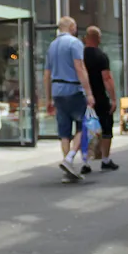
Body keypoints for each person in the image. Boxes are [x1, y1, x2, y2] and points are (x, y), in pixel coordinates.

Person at [44, 16, 95, 183]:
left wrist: (48, 98)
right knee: (83, 125)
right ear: (72, 26)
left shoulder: (51, 46)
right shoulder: (75, 43)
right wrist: (89, 93)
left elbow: (47, 75)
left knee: (64, 132)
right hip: (73, 89)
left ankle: (68, 168)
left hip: (58, 91)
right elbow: (80, 68)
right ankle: (70, 158)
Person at [82, 26, 118, 171]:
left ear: (86, 38)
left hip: (84, 98)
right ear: (98, 39)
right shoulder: (101, 56)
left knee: (85, 129)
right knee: (106, 127)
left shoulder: (79, 56)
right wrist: (114, 98)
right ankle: (105, 159)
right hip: (99, 98)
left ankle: (86, 163)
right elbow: (107, 78)